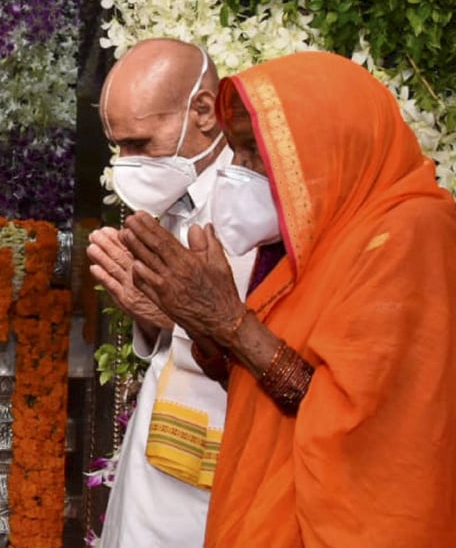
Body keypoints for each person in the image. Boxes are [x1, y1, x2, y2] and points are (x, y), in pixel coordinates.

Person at [122, 51, 456, 546]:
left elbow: (358, 424)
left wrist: (229, 320)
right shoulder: (313, 243)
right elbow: (265, 384)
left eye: (256, 153)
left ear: (328, 148)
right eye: (236, 152)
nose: (242, 169)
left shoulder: (412, 234)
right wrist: (200, 324)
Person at [87, 38, 256, 547]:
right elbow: (167, 335)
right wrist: (149, 316)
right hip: (160, 454)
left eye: (139, 144)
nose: (126, 162)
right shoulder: (174, 196)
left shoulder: (251, 206)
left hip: (214, 468)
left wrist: (168, 316)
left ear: (203, 111)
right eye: (118, 146)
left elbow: (263, 339)